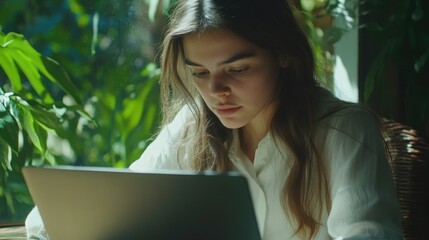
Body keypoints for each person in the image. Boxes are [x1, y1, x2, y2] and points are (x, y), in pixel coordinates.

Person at [26, 0, 403, 239]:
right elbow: (103, 209)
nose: (216, 91)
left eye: (238, 69)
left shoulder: (344, 130)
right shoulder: (193, 127)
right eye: (200, 73)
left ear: (284, 55)